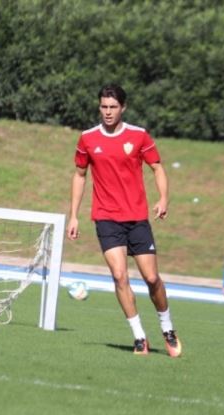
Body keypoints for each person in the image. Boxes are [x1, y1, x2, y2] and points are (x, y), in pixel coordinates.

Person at [66, 83, 182, 357]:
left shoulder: (139, 136)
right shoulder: (87, 139)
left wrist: (163, 198)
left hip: (137, 218)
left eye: (113, 107)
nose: (107, 112)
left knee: (152, 278)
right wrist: (73, 215)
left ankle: (167, 328)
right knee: (119, 276)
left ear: (123, 108)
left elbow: (157, 168)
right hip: (106, 218)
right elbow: (79, 176)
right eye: (104, 107)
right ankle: (139, 337)